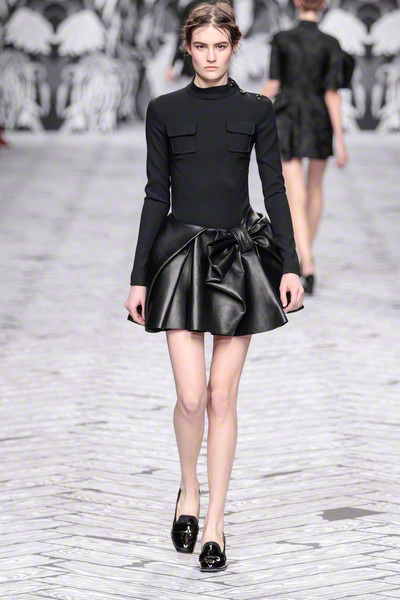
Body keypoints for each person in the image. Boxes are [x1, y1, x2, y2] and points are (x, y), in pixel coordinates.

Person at [124, 0, 304, 572]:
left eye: (219, 46)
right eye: (200, 46)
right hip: (178, 258)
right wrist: (137, 278)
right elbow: (156, 194)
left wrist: (291, 265)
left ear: (233, 46)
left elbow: (274, 190)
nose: (209, 56)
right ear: (187, 47)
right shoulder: (163, 110)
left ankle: (216, 525)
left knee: (222, 396)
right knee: (191, 396)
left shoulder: (256, 110)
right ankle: (188, 489)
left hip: (236, 260)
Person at [261, 0, 355, 294]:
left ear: (296, 3)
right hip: (318, 119)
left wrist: (246, 109)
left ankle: (306, 261)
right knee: (314, 189)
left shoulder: (282, 39)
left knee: (295, 193)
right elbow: (332, 94)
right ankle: (306, 256)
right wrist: (340, 140)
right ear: (323, 4)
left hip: (287, 117)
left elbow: (273, 85)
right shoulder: (331, 43)